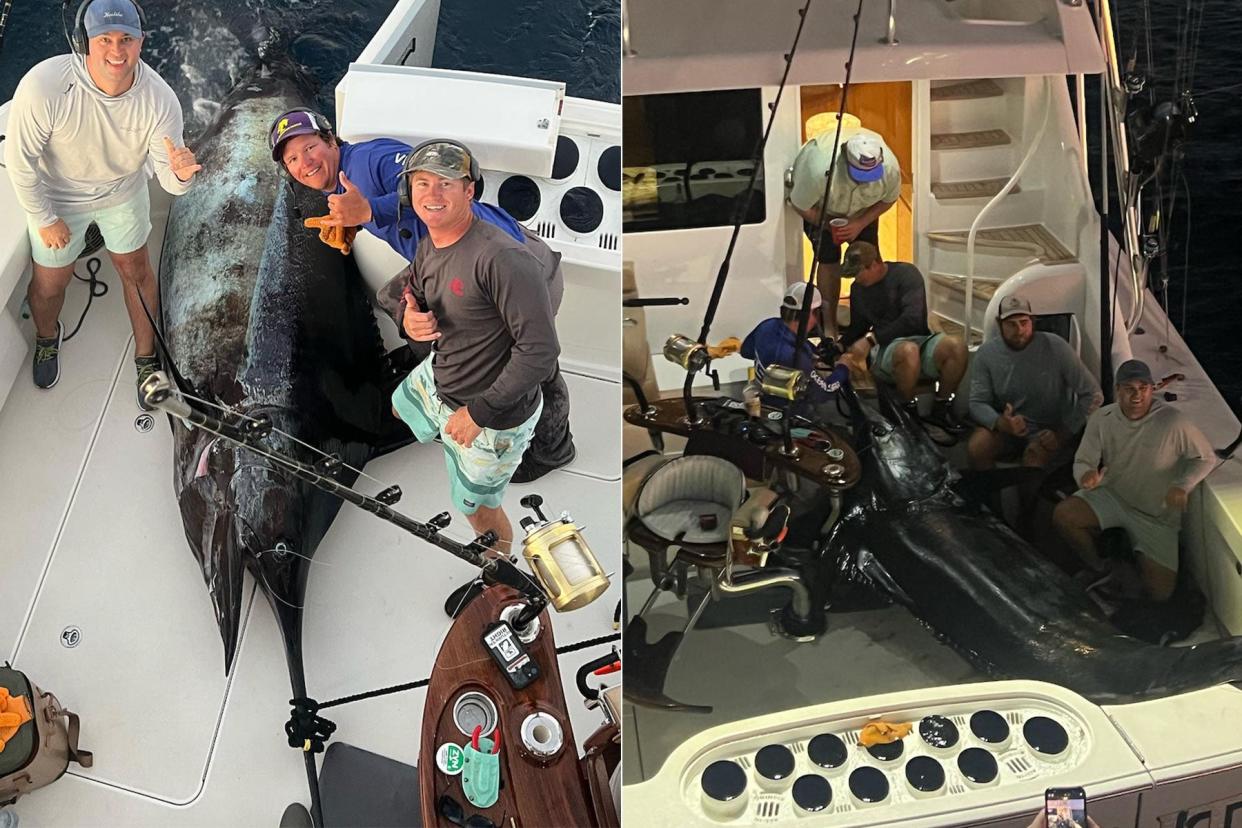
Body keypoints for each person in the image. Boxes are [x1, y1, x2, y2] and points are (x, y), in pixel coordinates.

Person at [269, 114, 575, 481]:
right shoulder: (338, 184)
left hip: (518, 269)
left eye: (309, 147)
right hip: (446, 262)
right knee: (394, 298)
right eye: (292, 159)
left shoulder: (370, 160)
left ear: (332, 142)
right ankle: (438, 368)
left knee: (526, 362)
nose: (305, 163)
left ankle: (551, 449)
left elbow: (429, 178)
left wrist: (368, 211)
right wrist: (355, 221)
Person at [5, 0, 200, 408]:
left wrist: (180, 175)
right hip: (58, 195)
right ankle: (46, 338)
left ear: (141, 41)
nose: (116, 51)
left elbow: (170, 181)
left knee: (136, 270)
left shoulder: (160, 100)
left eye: (126, 39)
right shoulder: (44, 86)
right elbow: (21, 163)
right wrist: (44, 217)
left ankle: (146, 358)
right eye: (105, 39)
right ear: (84, 43)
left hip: (122, 190)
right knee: (49, 282)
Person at [389, 140, 560, 573]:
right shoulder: (431, 241)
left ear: (470, 192)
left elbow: (540, 354)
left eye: (447, 183)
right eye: (421, 183)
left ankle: (498, 572)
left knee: (477, 510)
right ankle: (445, 440)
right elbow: (408, 289)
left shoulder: (502, 259)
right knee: (398, 405)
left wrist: (477, 414)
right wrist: (408, 317)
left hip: (492, 419)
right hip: (442, 376)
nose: (432, 194)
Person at [1053, 359, 1215, 603]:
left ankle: (1123, 567)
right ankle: (1100, 568)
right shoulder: (1101, 418)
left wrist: (1183, 485)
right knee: (1063, 516)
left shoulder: (1174, 422)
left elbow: (1205, 458)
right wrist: (1085, 476)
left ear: (1152, 389)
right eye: (1129, 388)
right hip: (1112, 495)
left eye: (1143, 388)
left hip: (1156, 515)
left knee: (1160, 593)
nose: (1137, 395)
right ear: (1117, 391)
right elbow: (1083, 460)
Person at [837, 242, 967, 427]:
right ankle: (906, 409)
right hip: (887, 348)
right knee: (908, 350)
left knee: (956, 346)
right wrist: (840, 345)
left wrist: (871, 339)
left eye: (858, 273)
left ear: (874, 264)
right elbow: (858, 326)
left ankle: (942, 406)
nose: (856, 279)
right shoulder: (858, 290)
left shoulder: (906, 274)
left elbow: (913, 319)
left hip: (919, 339)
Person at [967, 294, 1103, 470]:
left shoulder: (1056, 346)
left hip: (1051, 432)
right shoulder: (986, 354)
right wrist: (1001, 422)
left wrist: (1064, 433)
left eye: (1024, 322)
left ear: (1033, 321)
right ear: (999, 324)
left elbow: (1094, 394)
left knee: (1033, 459)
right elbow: (977, 402)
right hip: (1011, 432)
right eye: (1011, 324)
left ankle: (1030, 497)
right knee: (977, 446)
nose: (1019, 330)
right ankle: (990, 497)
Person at [787, 130, 902, 336]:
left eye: (870, 176)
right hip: (821, 209)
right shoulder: (818, 169)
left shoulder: (890, 168)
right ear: (846, 162)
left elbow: (889, 199)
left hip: (862, 210)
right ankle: (830, 325)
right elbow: (799, 204)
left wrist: (860, 223)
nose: (865, 181)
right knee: (828, 258)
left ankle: (876, 321)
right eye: (860, 175)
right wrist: (826, 224)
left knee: (869, 257)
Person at [739, 282, 850, 423]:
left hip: (761, 405)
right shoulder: (794, 356)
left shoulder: (766, 326)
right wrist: (844, 368)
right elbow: (825, 391)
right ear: (809, 315)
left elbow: (746, 351)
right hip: (790, 419)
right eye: (817, 313)